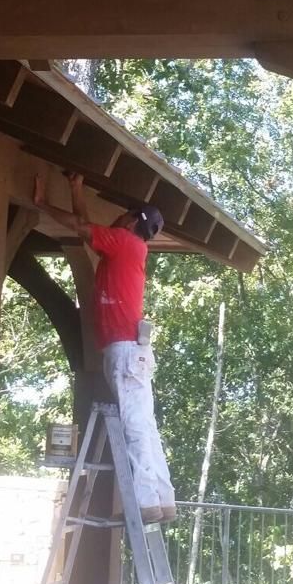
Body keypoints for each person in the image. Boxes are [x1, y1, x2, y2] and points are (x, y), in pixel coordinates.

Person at [33, 171, 176, 524]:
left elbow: (82, 226)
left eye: (124, 214)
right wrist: (73, 189)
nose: (118, 217)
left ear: (131, 220)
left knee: (135, 425)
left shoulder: (125, 244)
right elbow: (86, 225)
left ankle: (145, 502)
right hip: (132, 350)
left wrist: (49, 201)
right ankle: (162, 498)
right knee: (145, 424)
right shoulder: (127, 248)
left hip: (125, 351)